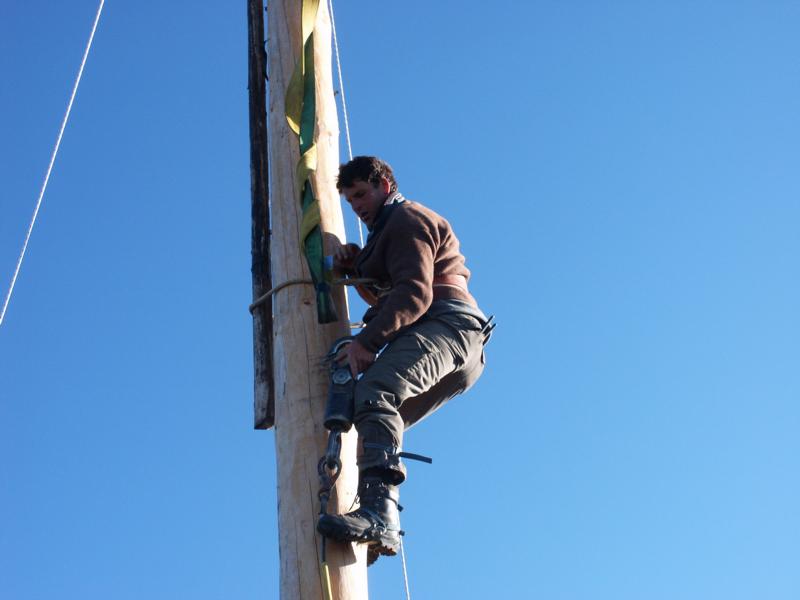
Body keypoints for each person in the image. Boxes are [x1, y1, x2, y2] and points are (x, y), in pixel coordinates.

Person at [317, 156, 492, 564]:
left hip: (448, 326)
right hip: (459, 342)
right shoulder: (386, 233)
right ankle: (377, 524)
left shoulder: (405, 219)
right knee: (372, 416)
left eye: (361, 194)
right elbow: (393, 289)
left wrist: (366, 343)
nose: (357, 206)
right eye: (350, 200)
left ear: (385, 184)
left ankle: (380, 516)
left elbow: (414, 294)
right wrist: (356, 264)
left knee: (375, 390)